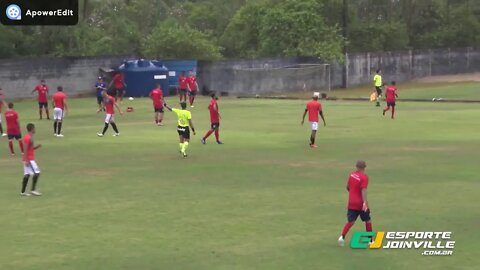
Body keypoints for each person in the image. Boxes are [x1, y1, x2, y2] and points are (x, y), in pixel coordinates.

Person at [338, 160, 373, 247]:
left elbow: (347, 187)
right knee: (368, 220)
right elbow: (363, 190)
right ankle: (370, 240)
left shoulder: (352, 175)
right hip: (360, 203)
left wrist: (353, 193)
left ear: (356, 167)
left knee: (351, 221)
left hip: (351, 202)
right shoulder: (364, 177)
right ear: (364, 167)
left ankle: (342, 237)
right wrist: (365, 203)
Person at [21, 123, 42, 196]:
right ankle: (33, 190)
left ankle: (23, 192)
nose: (35, 129)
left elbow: (30, 149)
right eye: (34, 128)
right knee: (37, 172)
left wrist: (36, 147)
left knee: (27, 174)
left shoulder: (30, 137)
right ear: (32, 129)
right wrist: (26, 160)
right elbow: (25, 149)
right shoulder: (28, 138)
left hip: (28, 158)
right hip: (29, 159)